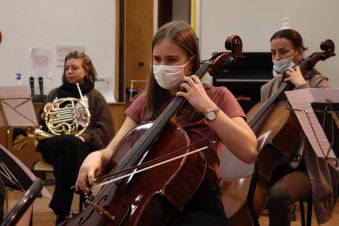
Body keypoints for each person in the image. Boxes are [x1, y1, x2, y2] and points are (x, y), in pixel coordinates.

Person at [75, 21, 257, 226]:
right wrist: (96, 156)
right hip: (140, 198)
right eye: (157, 59)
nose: (163, 66)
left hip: (197, 202)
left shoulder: (217, 97)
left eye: (172, 59)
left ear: (191, 61)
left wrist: (207, 108)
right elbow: (113, 151)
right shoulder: (145, 101)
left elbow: (249, 151)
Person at [261, 27, 339, 226]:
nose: (277, 57)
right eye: (273, 53)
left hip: (309, 166)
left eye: (283, 52)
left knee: (279, 194)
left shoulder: (319, 84)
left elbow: (325, 134)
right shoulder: (268, 88)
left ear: (299, 53)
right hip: (275, 161)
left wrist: (303, 88)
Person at [36, 51, 115, 224]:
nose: (69, 72)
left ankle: (61, 212)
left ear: (86, 71)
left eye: (74, 68)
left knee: (65, 157)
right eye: (66, 68)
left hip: (77, 149)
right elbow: (42, 125)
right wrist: (45, 113)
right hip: (52, 145)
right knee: (70, 142)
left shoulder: (94, 97)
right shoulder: (54, 94)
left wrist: (85, 137)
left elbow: (106, 130)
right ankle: (87, 196)